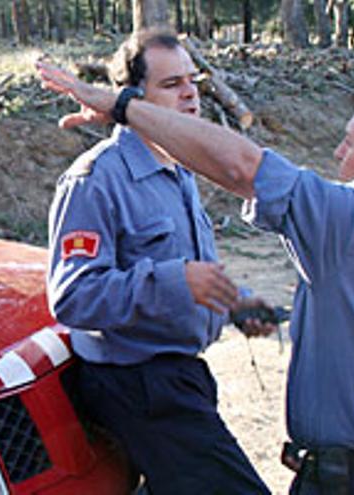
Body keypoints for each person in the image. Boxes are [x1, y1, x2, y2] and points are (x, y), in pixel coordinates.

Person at [37, 55, 354, 493]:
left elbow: (241, 166)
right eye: (172, 83)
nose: (337, 153)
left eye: (349, 144)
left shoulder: (352, 221)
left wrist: (122, 105)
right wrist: (230, 302)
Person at [45, 30, 276, 494]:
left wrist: (234, 303)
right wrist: (176, 283)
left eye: (193, 80)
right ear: (131, 99)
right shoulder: (96, 179)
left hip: (181, 378)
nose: (191, 92)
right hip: (137, 384)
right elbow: (72, 297)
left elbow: (189, 269)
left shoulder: (177, 166)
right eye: (172, 85)